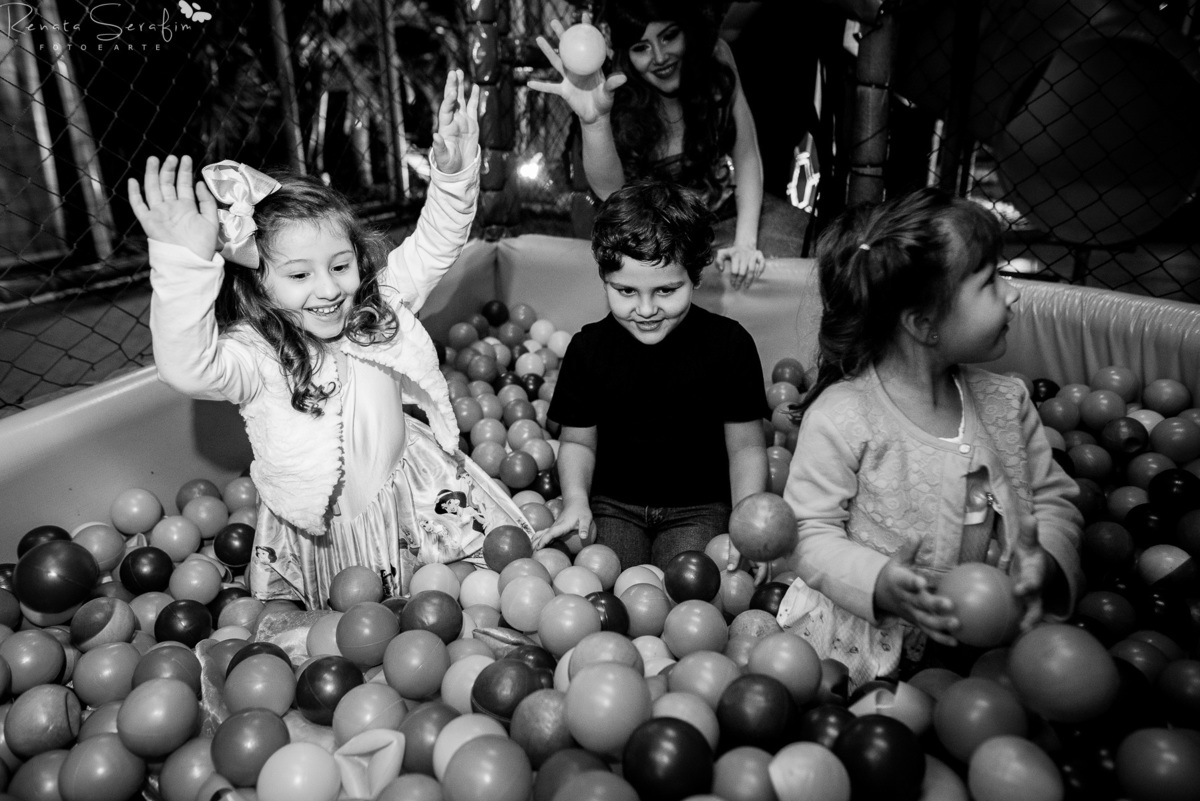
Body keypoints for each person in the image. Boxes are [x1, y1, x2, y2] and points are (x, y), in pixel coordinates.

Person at [129, 71, 534, 610]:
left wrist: (456, 170)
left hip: (409, 490)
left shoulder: (377, 307)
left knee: (452, 596)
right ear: (260, 283)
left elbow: (436, 243)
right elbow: (186, 367)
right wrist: (183, 262)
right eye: (299, 275)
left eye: (340, 265)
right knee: (351, 627)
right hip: (322, 527)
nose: (327, 289)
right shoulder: (256, 356)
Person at [776, 188, 1083, 687]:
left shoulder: (1008, 404)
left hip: (999, 636)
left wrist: (1045, 563)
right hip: (873, 646)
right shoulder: (844, 417)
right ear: (923, 323)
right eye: (989, 282)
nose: (1014, 293)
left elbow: (1053, 499)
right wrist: (879, 583)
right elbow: (809, 533)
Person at [535, 178, 769, 570]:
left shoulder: (730, 347)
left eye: (665, 291)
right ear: (604, 280)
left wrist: (745, 524)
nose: (645, 310)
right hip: (613, 506)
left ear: (695, 278)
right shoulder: (587, 350)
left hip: (698, 508)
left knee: (690, 594)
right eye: (626, 291)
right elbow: (577, 443)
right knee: (607, 591)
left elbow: (746, 448)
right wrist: (576, 501)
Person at [529, 1, 808, 289]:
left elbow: (747, 156)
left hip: (723, 215)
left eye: (668, 36)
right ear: (626, 53)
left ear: (688, 30)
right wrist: (594, 121)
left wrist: (745, 245)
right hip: (652, 235)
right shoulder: (611, 86)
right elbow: (611, 194)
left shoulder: (716, 57)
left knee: (794, 258)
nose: (660, 57)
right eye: (642, 48)